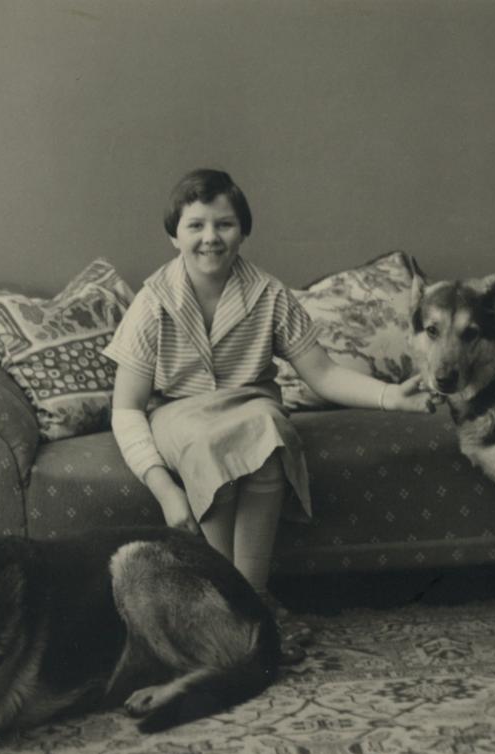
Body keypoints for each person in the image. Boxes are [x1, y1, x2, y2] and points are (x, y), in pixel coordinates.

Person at [104, 169, 435, 659]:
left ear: (244, 230)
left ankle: (250, 603)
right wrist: (165, 488)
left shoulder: (268, 294)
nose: (211, 238)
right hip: (180, 413)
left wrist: (392, 397)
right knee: (209, 439)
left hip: (249, 404)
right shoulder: (153, 304)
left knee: (267, 427)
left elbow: (322, 374)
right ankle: (222, 610)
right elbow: (127, 408)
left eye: (225, 224)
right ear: (173, 235)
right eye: (195, 226)